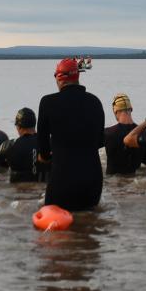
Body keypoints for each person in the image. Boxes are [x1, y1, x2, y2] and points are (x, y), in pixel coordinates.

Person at [37, 58, 105, 211]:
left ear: (59, 77)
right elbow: (100, 142)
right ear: (77, 77)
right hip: (92, 180)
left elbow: (43, 151)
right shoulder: (95, 102)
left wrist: (47, 156)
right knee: (89, 227)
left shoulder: (48, 102)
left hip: (62, 180)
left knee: (56, 230)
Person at [0, 108, 45, 183]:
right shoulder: (48, 143)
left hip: (18, 191)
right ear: (34, 124)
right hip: (42, 191)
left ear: (19, 127)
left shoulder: (10, 145)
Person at [103, 93, 146, 175]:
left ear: (115, 111)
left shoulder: (107, 133)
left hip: (113, 184)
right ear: (131, 109)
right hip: (133, 184)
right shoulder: (145, 133)